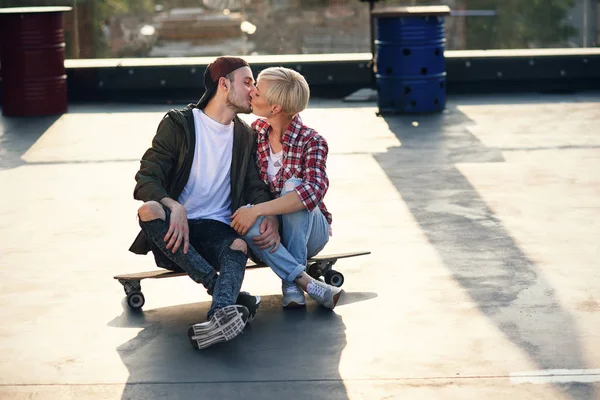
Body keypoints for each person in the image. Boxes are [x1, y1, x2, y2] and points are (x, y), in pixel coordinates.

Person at [129, 56, 280, 350]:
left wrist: (269, 216)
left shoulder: (245, 135)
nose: (253, 90)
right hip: (175, 233)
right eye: (247, 82)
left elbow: (255, 186)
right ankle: (227, 297)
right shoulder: (179, 124)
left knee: (239, 245)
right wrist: (173, 205)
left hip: (216, 231)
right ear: (223, 84)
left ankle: (218, 317)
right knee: (148, 209)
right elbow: (146, 178)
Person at [230, 67, 341, 309]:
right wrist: (261, 213)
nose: (251, 92)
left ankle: (290, 284)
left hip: (311, 232)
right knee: (243, 217)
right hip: (271, 235)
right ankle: (305, 282)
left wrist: (260, 210)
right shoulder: (255, 133)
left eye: (257, 92)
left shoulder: (313, 141)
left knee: (295, 187)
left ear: (275, 108)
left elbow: (312, 193)